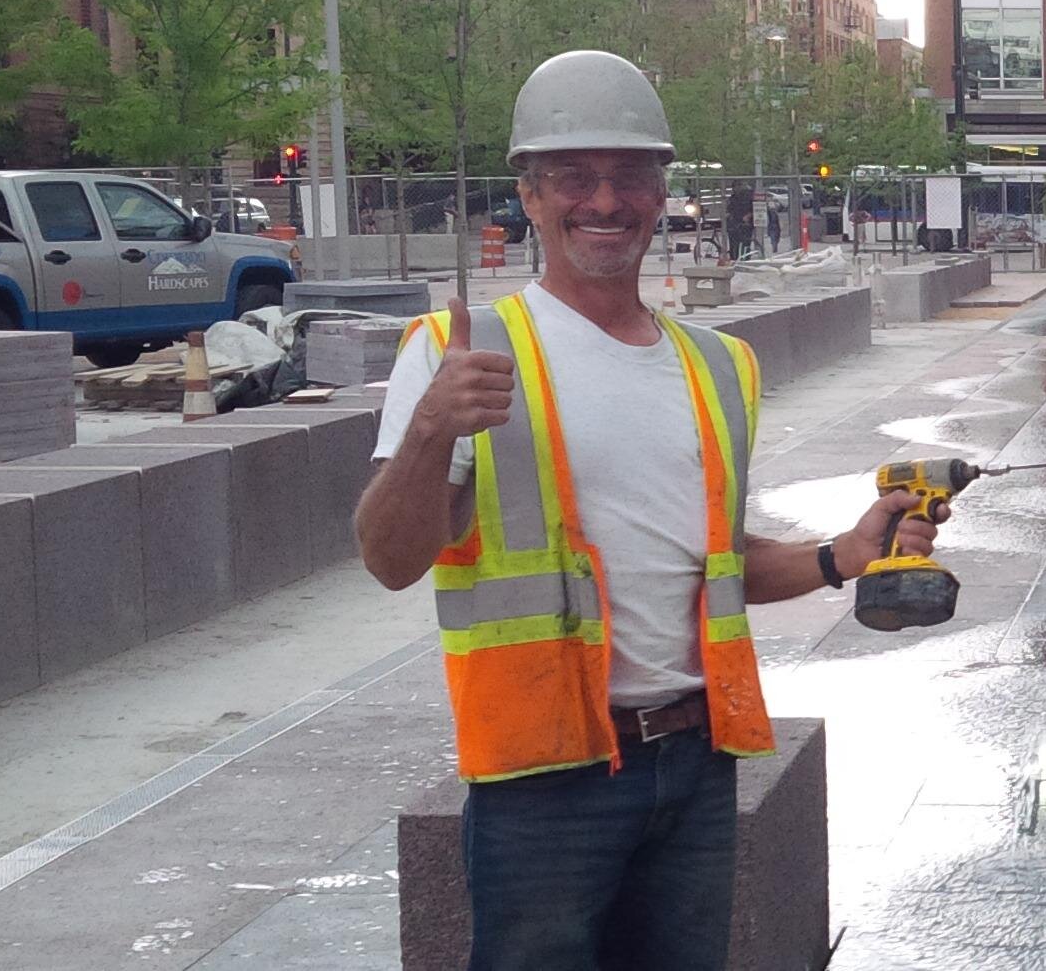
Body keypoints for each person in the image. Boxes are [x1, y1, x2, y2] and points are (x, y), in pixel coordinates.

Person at [354, 50, 941, 970]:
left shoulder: (718, 365)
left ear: (661, 192)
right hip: (542, 779)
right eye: (574, 178)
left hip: (696, 762)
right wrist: (432, 428)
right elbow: (390, 558)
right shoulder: (456, 352)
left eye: (629, 176)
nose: (605, 200)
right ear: (531, 194)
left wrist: (840, 555)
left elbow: (711, 562)